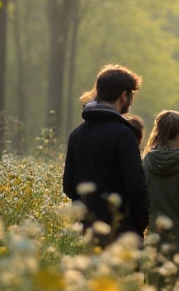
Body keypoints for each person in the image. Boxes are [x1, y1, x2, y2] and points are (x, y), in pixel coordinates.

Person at [62, 65, 150, 242]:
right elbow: (136, 186)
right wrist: (139, 224)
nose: (131, 102)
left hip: (87, 232)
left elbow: (69, 186)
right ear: (123, 96)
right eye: (131, 96)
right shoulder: (124, 135)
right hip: (122, 234)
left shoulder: (77, 134)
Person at [143, 110, 179, 265]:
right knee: (178, 286)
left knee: (154, 286)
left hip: (154, 236)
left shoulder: (146, 163)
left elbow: (141, 199)